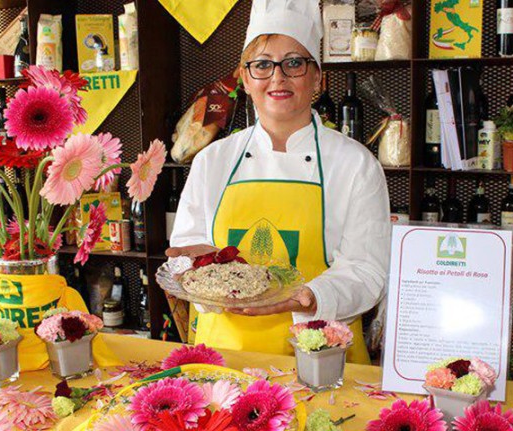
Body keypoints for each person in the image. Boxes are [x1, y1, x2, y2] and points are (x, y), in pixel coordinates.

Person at [166, 0, 390, 364]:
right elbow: (186, 250)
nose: (278, 77)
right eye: (262, 64)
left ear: (318, 77)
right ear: (245, 77)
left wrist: (312, 296)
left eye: (295, 62)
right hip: (225, 359)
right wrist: (195, 268)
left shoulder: (355, 164)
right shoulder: (212, 160)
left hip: (321, 358)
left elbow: (367, 271)